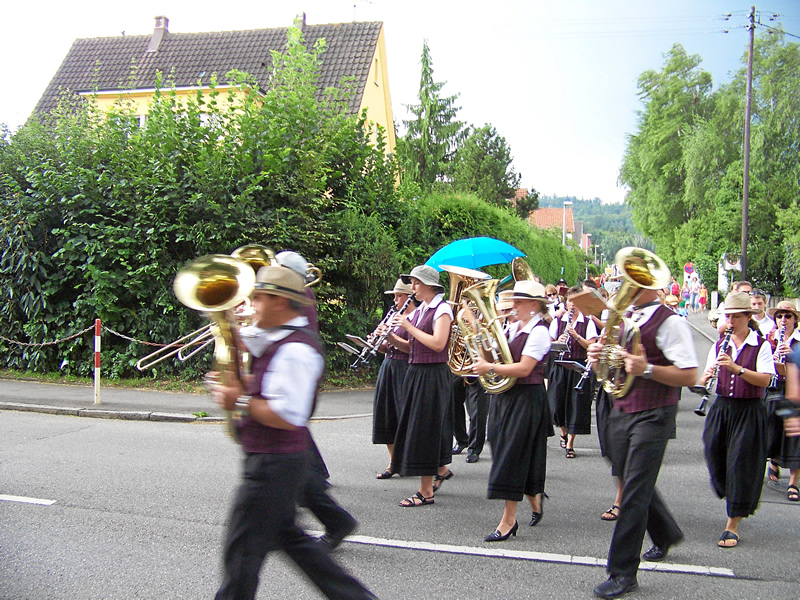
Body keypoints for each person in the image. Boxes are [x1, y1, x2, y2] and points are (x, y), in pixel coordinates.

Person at [211, 266, 374, 600]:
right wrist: (235, 369)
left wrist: (238, 399)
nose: (251, 304)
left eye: (258, 297)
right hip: (274, 461)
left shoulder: (295, 350)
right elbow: (265, 382)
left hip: (273, 464)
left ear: (280, 302)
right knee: (294, 542)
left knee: (240, 556)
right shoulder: (278, 338)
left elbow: (288, 416)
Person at [587, 275, 697, 599]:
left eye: (635, 280)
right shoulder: (626, 318)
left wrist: (647, 369)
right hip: (624, 406)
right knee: (631, 476)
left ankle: (622, 573)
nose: (627, 285)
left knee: (633, 490)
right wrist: (599, 355)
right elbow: (614, 364)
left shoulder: (671, 322)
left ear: (653, 285)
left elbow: (690, 375)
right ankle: (666, 533)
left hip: (654, 412)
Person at [276, 251, 358, 551]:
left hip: (292, 376)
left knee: (286, 453)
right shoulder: (289, 294)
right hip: (285, 376)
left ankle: (331, 518)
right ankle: (311, 512)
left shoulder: (299, 295)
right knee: (285, 452)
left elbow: (289, 334)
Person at [471, 280, 552, 542]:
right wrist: (478, 333)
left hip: (527, 398)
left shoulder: (539, 332)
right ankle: (533, 495)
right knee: (500, 445)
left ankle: (508, 520)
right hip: (506, 397)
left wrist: (489, 368)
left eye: (518, 302)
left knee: (511, 455)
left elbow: (524, 368)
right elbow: (493, 357)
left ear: (533, 305)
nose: (513, 306)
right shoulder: (513, 326)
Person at [700, 292, 775, 548]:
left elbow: (766, 379)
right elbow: (704, 378)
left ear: (747, 317)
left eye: (735, 317)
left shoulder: (760, 345)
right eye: (727, 316)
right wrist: (705, 378)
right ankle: (732, 494)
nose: (730, 322)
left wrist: (737, 369)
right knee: (714, 453)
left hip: (749, 410)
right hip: (722, 408)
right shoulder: (720, 344)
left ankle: (732, 523)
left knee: (741, 464)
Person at [387, 265, 454, 507]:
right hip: (416, 372)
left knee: (426, 430)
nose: (413, 288)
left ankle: (426, 491)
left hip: (433, 374)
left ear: (428, 285)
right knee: (418, 428)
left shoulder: (442, 309)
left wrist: (408, 327)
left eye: (416, 283)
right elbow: (411, 347)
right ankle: (434, 478)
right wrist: (390, 337)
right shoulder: (421, 310)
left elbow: (438, 344)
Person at [547, 286, 599, 458]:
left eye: (576, 302)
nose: (572, 305)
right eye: (570, 301)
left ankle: (570, 443)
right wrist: (558, 341)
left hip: (578, 367)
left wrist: (576, 336)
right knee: (557, 404)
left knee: (576, 405)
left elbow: (591, 346)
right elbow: (549, 344)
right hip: (560, 365)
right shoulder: (558, 321)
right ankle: (563, 432)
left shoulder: (588, 322)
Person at [372, 279, 415, 479]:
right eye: (395, 296)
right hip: (388, 366)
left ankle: (409, 461)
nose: (395, 300)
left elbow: (413, 348)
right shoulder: (393, 316)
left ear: (410, 297)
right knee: (386, 414)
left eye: (399, 296)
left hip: (405, 368)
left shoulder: (415, 318)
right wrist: (375, 341)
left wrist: (391, 338)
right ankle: (393, 463)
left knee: (404, 416)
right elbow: (386, 348)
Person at [763, 302, 800, 501]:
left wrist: (793, 357)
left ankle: (794, 482)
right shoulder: (768, 339)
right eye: (779, 316)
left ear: (795, 320)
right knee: (773, 427)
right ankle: (774, 459)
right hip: (774, 387)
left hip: (796, 389)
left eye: (788, 316)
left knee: (795, 435)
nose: (783, 320)